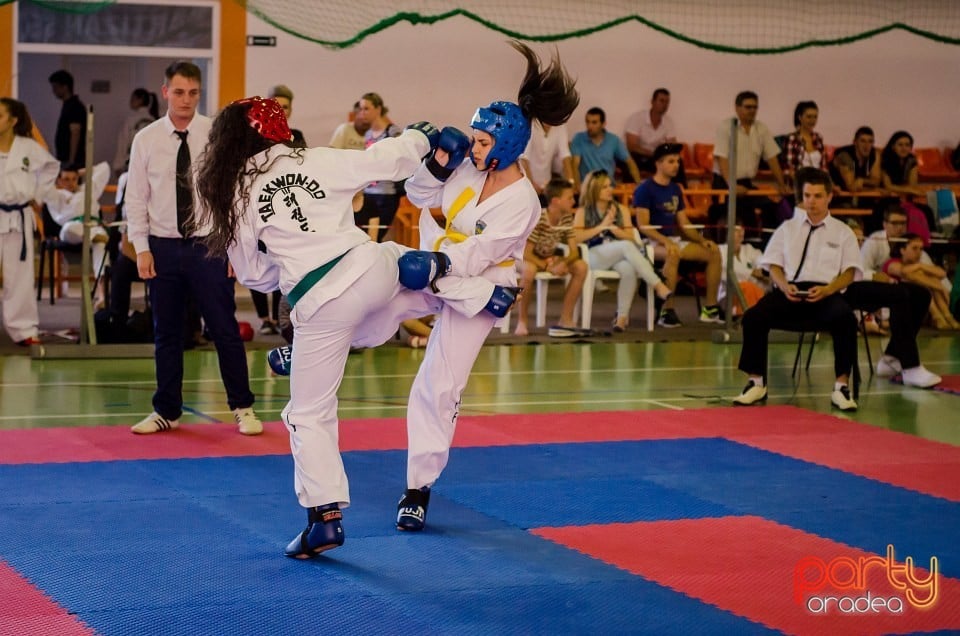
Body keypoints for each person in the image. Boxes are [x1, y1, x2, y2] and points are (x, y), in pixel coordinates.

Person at [196, 96, 517, 557]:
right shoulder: (317, 159)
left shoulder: (238, 193)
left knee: (307, 414)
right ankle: (479, 292)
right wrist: (421, 136)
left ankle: (324, 518)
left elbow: (252, 276)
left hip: (319, 302)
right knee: (402, 274)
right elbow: (381, 159)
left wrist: (284, 265)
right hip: (368, 268)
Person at [350, 41, 579, 534]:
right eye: (473, 139)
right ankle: (315, 344)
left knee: (440, 383)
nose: (473, 149)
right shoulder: (470, 165)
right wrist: (436, 164)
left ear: (508, 145)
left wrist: (433, 264)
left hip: (478, 288)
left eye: (481, 143)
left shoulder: (524, 202)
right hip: (438, 263)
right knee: (375, 292)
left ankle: (417, 490)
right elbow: (418, 195)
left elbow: (477, 254)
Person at [124, 60, 263, 436]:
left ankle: (242, 406)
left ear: (200, 94)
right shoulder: (146, 139)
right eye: (179, 92)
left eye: (193, 93)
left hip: (210, 246)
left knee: (223, 327)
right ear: (165, 91)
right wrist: (141, 247)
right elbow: (136, 198)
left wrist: (237, 247)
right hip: (163, 245)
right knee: (167, 332)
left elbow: (234, 194)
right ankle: (166, 410)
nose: (186, 100)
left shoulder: (215, 135)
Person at [733, 168, 861, 411]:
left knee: (845, 319)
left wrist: (828, 290)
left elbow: (850, 272)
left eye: (818, 196)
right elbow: (773, 265)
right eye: (807, 195)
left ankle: (841, 386)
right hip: (790, 291)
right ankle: (756, 382)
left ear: (829, 197)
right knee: (753, 317)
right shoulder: (787, 228)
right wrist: (783, 286)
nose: (812, 201)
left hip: (826, 293)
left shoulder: (843, 232)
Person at [633, 142, 723, 327]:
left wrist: (701, 239)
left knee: (714, 252)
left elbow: (684, 223)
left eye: (677, 161)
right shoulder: (645, 189)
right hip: (648, 243)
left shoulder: (675, 189)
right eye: (671, 161)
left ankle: (710, 308)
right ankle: (667, 310)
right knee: (673, 253)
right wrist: (665, 241)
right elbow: (643, 225)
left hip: (670, 241)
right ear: (658, 163)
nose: (676, 165)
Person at [574, 169, 671, 332]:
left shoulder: (621, 209)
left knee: (628, 269)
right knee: (625, 246)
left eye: (610, 185)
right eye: (605, 187)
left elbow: (633, 239)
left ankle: (621, 318)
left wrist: (618, 232)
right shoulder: (583, 211)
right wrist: (602, 226)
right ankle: (658, 284)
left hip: (620, 255)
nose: (610, 189)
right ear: (594, 189)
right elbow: (576, 238)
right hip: (593, 255)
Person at [0, 97, 59, 346]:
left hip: (18, 216)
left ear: (13, 121)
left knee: (19, 275)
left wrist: (37, 194)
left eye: (0, 115)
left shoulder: (27, 147)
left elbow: (51, 167)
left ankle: (23, 329)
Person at [514, 177, 587, 337]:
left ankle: (565, 318)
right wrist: (549, 266)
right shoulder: (539, 218)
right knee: (530, 271)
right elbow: (526, 253)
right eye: (569, 198)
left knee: (581, 267)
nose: (573, 201)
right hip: (523, 256)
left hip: (547, 256)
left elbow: (574, 251)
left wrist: (562, 262)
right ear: (556, 201)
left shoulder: (567, 217)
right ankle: (522, 320)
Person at [711, 91, 791, 235]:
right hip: (724, 182)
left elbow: (772, 158)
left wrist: (781, 184)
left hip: (746, 183)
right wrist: (732, 185)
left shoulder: (761, 129)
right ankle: (747, 243)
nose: (752, 111)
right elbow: (721, 158)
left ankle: (766, 245)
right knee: (744, 213)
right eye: (748, 107)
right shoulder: (726, 127)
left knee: (771, 206)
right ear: (737, 108)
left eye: (755, 107)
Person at [44, 161, 112, 304]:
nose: (71, 183)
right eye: (66, 179)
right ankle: (95, 237)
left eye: (74, 179)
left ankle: (103, 295)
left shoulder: (87, 189)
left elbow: (104, 168)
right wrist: (58, 177)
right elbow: (42, 182)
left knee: (101, 246)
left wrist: (81, 171)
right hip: (72, 229)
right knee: (70, 229)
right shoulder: (57, 194)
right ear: (59, 180)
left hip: (92, 225)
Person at [883, 233, 960, 330]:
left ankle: (946, 316)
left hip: (917, 302)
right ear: (902, 250)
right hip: (898, 303)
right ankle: (938, 317)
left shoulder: (917, 264)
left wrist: (921, 266)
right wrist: (940, 287)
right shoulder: (892, 263)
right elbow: (906, 273)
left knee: (929, 280)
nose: (919, 252)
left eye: (921, 249)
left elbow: (942, 273)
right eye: (914, 248)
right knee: (921, 283)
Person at [356, 92, 403, 241]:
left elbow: (399, 158)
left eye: (366, 108)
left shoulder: (392, 131)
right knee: (364, 237)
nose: (362, 113)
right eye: (361, 109)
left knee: (376, 237)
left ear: (378, 109)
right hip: (369, 191)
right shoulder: (369, 133)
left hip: (386, 192)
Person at [570, 107, 640, 189]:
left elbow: (630, 162)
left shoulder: (613, 140)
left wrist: (639, 185)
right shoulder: (579, 138)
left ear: (603, 124)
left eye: (594, 122)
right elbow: (575, 164)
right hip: (587, 190)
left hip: (608, 188)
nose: (589, 126)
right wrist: (577, 186)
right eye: (587, 122)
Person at [718, 221, 769, 314]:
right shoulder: (719, 251)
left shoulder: (749, 249)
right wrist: (753, 273)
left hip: (757, 294)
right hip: (730, 297)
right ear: (726, 232)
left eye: (742, 230)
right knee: (747, 287)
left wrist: (763, 273)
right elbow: (728, 271)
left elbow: (764, 264)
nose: (741, 233)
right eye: (736, 230)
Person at [624, 88, 679, 174]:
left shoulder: (668, 122)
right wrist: (652, 153)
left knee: (677, 163)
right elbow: (631, 145)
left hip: (658, 158)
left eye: (667, 102)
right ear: (652, 102)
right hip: (640, 155)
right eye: (661, 101)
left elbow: (672, 144)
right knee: (631, 161)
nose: (665, 105)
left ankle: (680, 187)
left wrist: (667, 154)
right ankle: (632, 187)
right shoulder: (637, 118)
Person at [519, 120, 575, 205]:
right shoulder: (530, 125)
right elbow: (524, 159)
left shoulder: (560, 127)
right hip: (528, 184)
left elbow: (565, 156)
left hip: (547, 184)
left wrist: (570, 182)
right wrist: (531, 185)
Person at [112, 88, 159, 176]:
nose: (130, 101)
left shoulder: (130, 121)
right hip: (152, 165)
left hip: (132, 164)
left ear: (140, 100)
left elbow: (123, 144)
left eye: (133, 99)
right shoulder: (155, 121)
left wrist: (118, 165)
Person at [48, 70, 87, 167]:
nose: (53, 91)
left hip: (71, 160)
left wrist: (71, 160)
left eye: (55, 87)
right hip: (65, 158)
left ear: (65, 87)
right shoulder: (68, 105)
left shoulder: (74, 106)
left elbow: (75, 133)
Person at [829, 126, 882, 193]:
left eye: (870, 141)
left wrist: (862, 181)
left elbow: (876, 181)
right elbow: (852, 188)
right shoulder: (845, 156)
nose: (866, 145)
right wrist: (876, 189)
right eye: (863, 141)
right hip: (838, 196)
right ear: (855, 142)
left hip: (860, 197)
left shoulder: (875, 154)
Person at [784, 101, 826, 177]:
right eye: (809, 117)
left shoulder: (819, 138)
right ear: (800, 117)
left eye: (815, 117)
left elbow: (824, 167)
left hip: (818, 183)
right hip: (799, 183)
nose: (813, 120)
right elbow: (789, 169)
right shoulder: (792, 138)